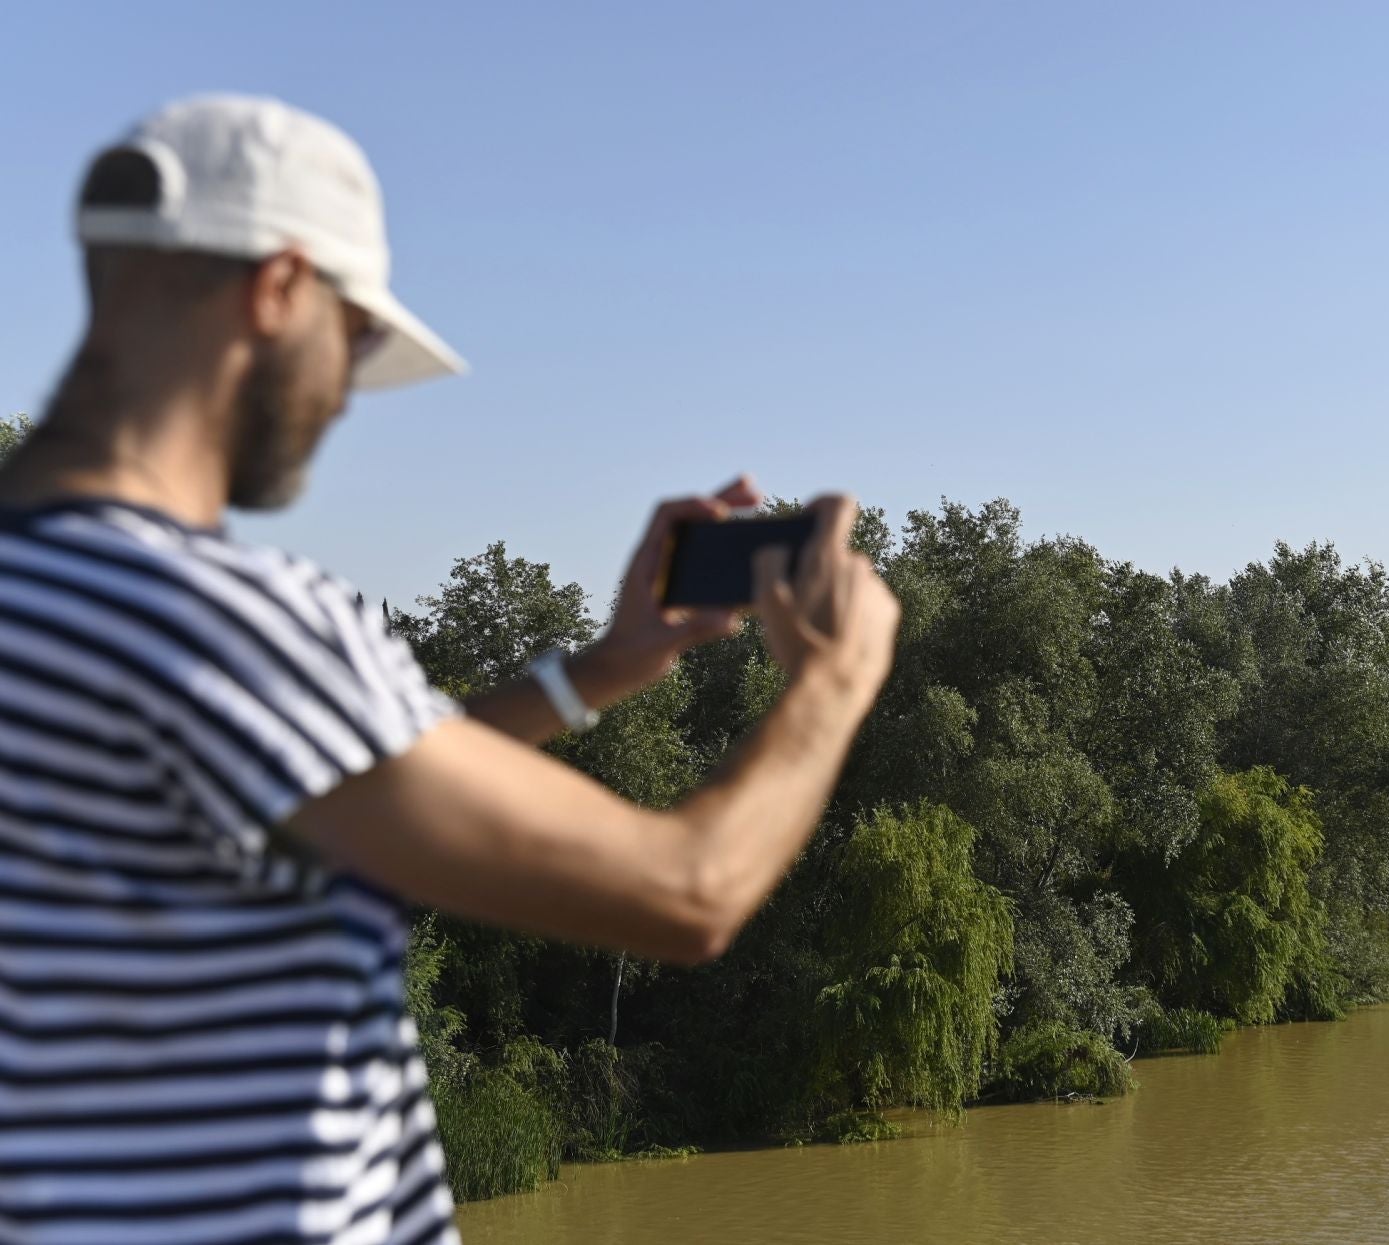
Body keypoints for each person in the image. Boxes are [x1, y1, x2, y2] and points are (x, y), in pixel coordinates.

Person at [0, 95, 899, 1245]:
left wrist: (603, 670)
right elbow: (690, 893)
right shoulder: (212, 616)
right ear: (277, 290)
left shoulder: (59, 599)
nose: (344, 395)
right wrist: (836, 681)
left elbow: (331, 794)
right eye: (357, 339)